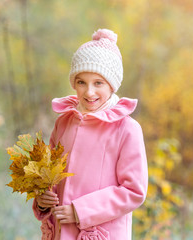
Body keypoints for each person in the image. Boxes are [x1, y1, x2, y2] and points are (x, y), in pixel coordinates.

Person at [32, 28, 148, 240]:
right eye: (81, 82)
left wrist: (80, 210)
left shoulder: (127, 129)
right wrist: (42, 199)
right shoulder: (64, 122)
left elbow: (133, 190)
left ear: (111, 85)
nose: (89, 92)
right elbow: (49, 176)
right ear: (74, 83)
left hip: (99, 233)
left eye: (98, 83)